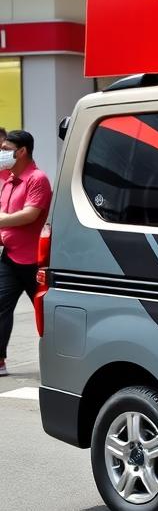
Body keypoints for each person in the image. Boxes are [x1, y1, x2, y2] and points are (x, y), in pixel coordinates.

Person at [0, 130, 52, 378]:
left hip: (35, 262)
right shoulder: (9, 180)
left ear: (21, 151)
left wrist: (1, 220)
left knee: (48, 315)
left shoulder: (37, 179)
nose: (1, 153)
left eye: (5, 149)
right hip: (9, 257)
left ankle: (59, 361)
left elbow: (30, 214)